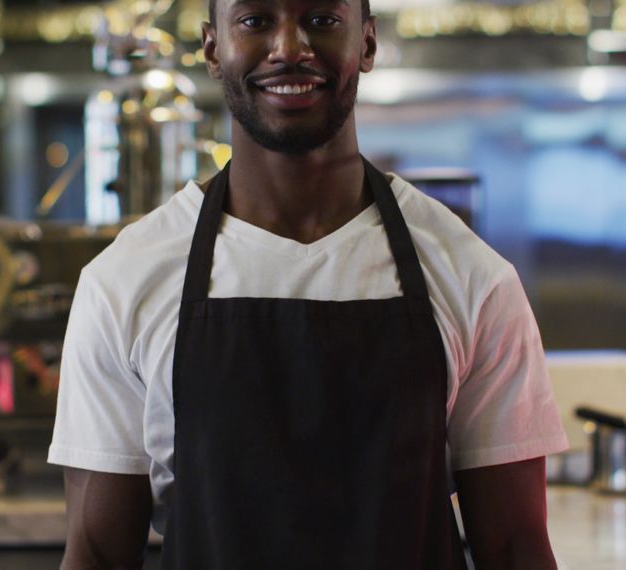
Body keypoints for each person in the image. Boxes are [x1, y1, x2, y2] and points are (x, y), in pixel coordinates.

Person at [50, 0, 568, 568]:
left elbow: (516, 550)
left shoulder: (472, 277)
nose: (289, 48)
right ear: (213, 47)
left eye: (322, 19)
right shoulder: (125, 281)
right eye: (255, 20)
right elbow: (97, 555)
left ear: (366, 45)